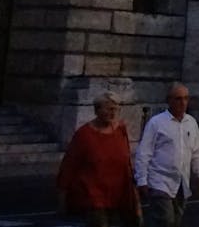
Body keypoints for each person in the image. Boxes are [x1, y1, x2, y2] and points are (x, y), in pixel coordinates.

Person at [57, 92, 141, 226]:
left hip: (118, 194)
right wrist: (62, 193)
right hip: (93, 195)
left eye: (116, 109)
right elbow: (69, 164)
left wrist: (134, 194)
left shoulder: (121, 130)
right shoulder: (84, 135)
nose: (113, 113)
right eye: (109, 109)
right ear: (97, 110)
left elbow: (126, 162)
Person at [134, 83, 199, 227]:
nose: (183, 103)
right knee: (165, 220)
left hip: (181, 182)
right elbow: (144, 152)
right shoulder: (156, 123)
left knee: (176, 221)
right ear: (169, 100)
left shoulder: (191, 123)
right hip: (159, 181)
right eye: (178, 99)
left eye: (186, 98)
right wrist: (142, 180)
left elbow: (197, 151)